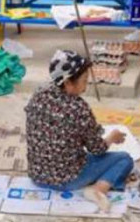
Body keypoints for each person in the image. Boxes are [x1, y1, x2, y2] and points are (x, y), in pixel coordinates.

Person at [25, 50, 133, 212]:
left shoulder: (39, 93)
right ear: (68, 83)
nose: (86, 86)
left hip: (37, 175)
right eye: (84, 81)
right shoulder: (78, 108)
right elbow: (97, 149)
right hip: (67, 179)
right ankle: (99, 189)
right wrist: (111, 137)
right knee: (124, 159)